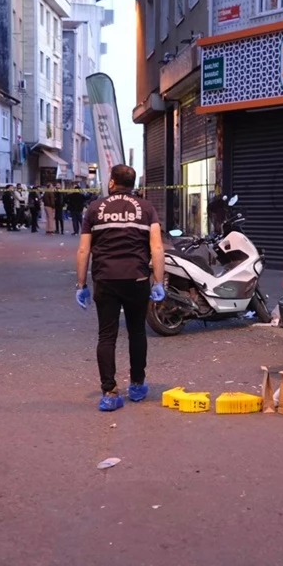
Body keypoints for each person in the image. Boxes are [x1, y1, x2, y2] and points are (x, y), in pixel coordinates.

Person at [75, 164, 166, 412]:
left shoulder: (95, 209)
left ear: (112, 182)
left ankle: (110, 392)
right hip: (136, 279)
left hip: (105, 279)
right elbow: (157, 248)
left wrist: (81, 283)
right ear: (133, 184)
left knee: (107, 335)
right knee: (137, 332)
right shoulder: (146, 209)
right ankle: (137, 385)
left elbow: (84, 250)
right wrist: (158, 281)